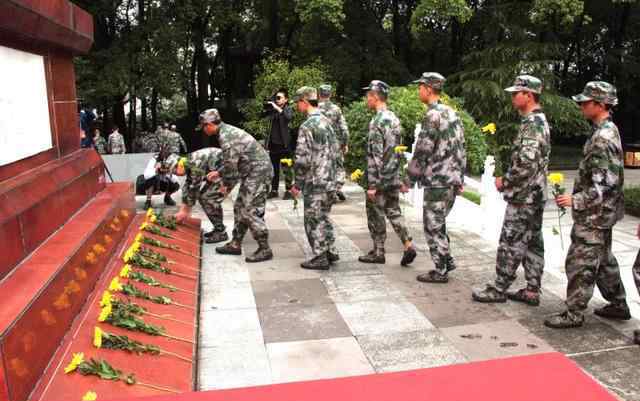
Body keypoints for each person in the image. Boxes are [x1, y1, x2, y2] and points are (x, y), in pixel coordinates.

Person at [545, 81, 628, 329]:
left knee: (580, 262)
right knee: (603, 260)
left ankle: (574, 313)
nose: (581, 105)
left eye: (586, 102)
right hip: (603, 213)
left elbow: (606, 184)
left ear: (600, 104)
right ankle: (619, 304)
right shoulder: (605, 130)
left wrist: (576, 200)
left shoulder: (603, 137)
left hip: (595, 214)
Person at [472, 75, 550, 305]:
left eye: (516, 93)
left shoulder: (533, 124)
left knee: (511, 241)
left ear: (528, 95)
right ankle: (532, 289)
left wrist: (505, 182)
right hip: (534, 194)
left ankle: (499, 288)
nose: (513, 97)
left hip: (524, 196)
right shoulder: (538, 121)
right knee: (533, 242)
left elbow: (526, 163)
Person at [408, 72, 466, 283]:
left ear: (428, 89)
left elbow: (423, 149)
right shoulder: (452, 113)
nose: (418, 91)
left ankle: (440, 270)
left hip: (437, 180)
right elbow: (461, 147)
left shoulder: (432, 115)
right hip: (450, 179)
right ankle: (446, 259)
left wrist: (410, 177)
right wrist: (460, 177)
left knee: (432, 225)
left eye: (420, 87)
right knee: (439, 222)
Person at [199, 109, 274, 263]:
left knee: (248, 210)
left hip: (258, 172)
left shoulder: (227, 136)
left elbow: (231, 165)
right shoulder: (225, 132)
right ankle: (235, 243)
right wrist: (218, 173)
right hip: (253, 172)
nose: (204, 130)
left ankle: (265, 248)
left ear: (209, 124)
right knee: (239, 207)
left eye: (204, 127)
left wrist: (224, 185)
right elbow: (230, 162)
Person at [358, 80, 416, 267]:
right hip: (393, 175)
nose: (366, 99)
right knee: (393, 211)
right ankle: (408, 244)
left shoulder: (377, 122)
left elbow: (376, 156)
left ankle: (378, 251)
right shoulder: (394, 119)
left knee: (375, 213)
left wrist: (373, 185)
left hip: (380, 177)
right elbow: (397, 150)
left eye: (368, 96)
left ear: (375, 97)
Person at [289, 86, 337, 270]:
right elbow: (335, 151)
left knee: (313, 219)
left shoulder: (307, 126)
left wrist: (297, 184)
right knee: (324, 216)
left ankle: (320, 257)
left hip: (315, 180)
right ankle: (330, 250)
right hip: (330, 178)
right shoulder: (326, 122)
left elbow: (302, 159)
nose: (296, 106)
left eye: (297, 102)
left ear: (305, 102)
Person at [173, 148, 228, 244]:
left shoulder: (194, 163)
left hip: (228, 170)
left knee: (207, 198)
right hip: (218, 170)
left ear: (179, 166)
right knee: (204, 197)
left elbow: (194, 188)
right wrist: (182, 210)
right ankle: (218, 228)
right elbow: (188, 186)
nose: (176, 174)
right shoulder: (188, 163)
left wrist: (184, 212)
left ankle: (221, 232)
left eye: (174, 171)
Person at [318, 84, 350, 201]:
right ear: (330, 94)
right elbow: (344, 129)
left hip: (319, 144)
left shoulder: (314, 109)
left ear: (319, 94)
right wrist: (344, 144)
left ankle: (326, 191)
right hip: (334, 144)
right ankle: (336, 189)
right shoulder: (336, 109)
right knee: (338, 168)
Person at [263, 88, 294, 199]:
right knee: (274, 169)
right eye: (276, 98)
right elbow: (263, 114)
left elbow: (288, 118)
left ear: (286, 99)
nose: (277, 100)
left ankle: (289, 190)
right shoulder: (273, 111)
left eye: (279, 97)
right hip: (273, 145)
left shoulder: (288, 109)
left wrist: (277, 108)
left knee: (287, 168)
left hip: (285, 145)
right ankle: (274, 190)